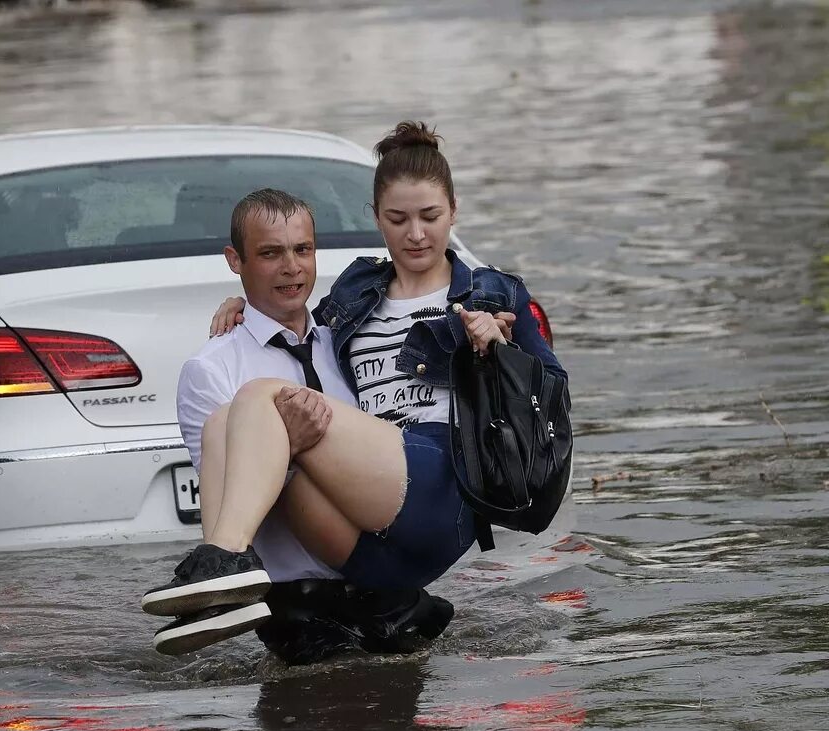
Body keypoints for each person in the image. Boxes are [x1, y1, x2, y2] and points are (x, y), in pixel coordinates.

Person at [143, 121, 566, 651]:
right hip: (371, 535)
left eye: (430, 217)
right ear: (376, 222)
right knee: (225, 420)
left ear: (453, 212)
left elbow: (552, 396)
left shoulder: (492, 291)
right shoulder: (355, 297)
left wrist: (497, 351)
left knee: (262, 396)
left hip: (438, 482)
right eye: (398, 219)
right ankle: (219, 590)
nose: (416, 234)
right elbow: (294, 316)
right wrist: (243, 304)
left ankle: (222, 558)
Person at [147, 187, 460, 658]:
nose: (291, 267)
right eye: (270, 253)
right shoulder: (211, 368)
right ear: (236, 260)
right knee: (234, 420)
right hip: (304, 612)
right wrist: (285, 446)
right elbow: (229, 494)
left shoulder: (347, 341)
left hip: (387, 591)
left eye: (302, 250)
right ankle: (222, 578)